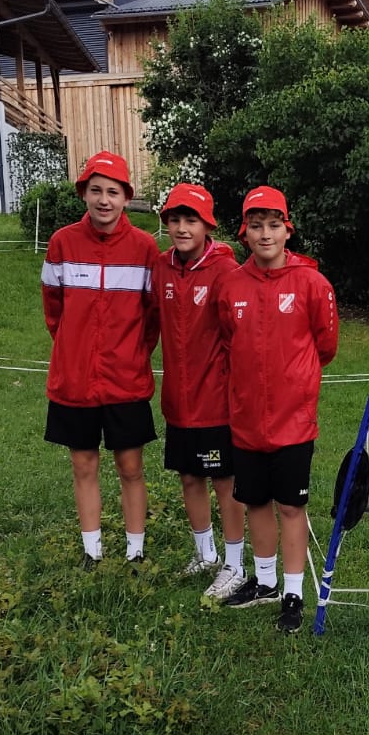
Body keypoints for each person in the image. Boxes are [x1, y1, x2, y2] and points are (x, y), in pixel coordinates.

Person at [215, 185, 339, 634]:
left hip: (293, 423)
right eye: (255, 226)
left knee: (291, 506)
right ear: (244, 232)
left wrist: (295, 381)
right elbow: (228, 341)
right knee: (255, 502)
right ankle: (264, 582)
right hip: (246, 420)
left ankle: (293, 592)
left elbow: (325, 346)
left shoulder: (312, 284)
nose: (264, 234)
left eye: (273, 225)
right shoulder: (231, 285)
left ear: (288, 231)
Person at [41, 151, 160, 566]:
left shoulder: (145, 248)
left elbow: (152, 318)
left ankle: (135, 552)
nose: (104, 200)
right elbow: (54, 310)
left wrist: (130, 354)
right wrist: (74, 349)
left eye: (113, 192)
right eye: (96, 191)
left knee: (130, 467)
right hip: (74, 382)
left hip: (125, 381)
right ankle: (92, 552)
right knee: (83, 465)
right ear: (84, 194)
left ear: (127, 197)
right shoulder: (62, 242)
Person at [155, 182, 247, 603]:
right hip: (178, 400)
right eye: (174, 219)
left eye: (190, 219)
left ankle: (235, 564)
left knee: (224, 481)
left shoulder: (226, 271)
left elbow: (239, 335)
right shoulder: (161, 267)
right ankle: (205, 554)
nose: (181, 227)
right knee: (190, 477)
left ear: (207, 225)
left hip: (216, 402)